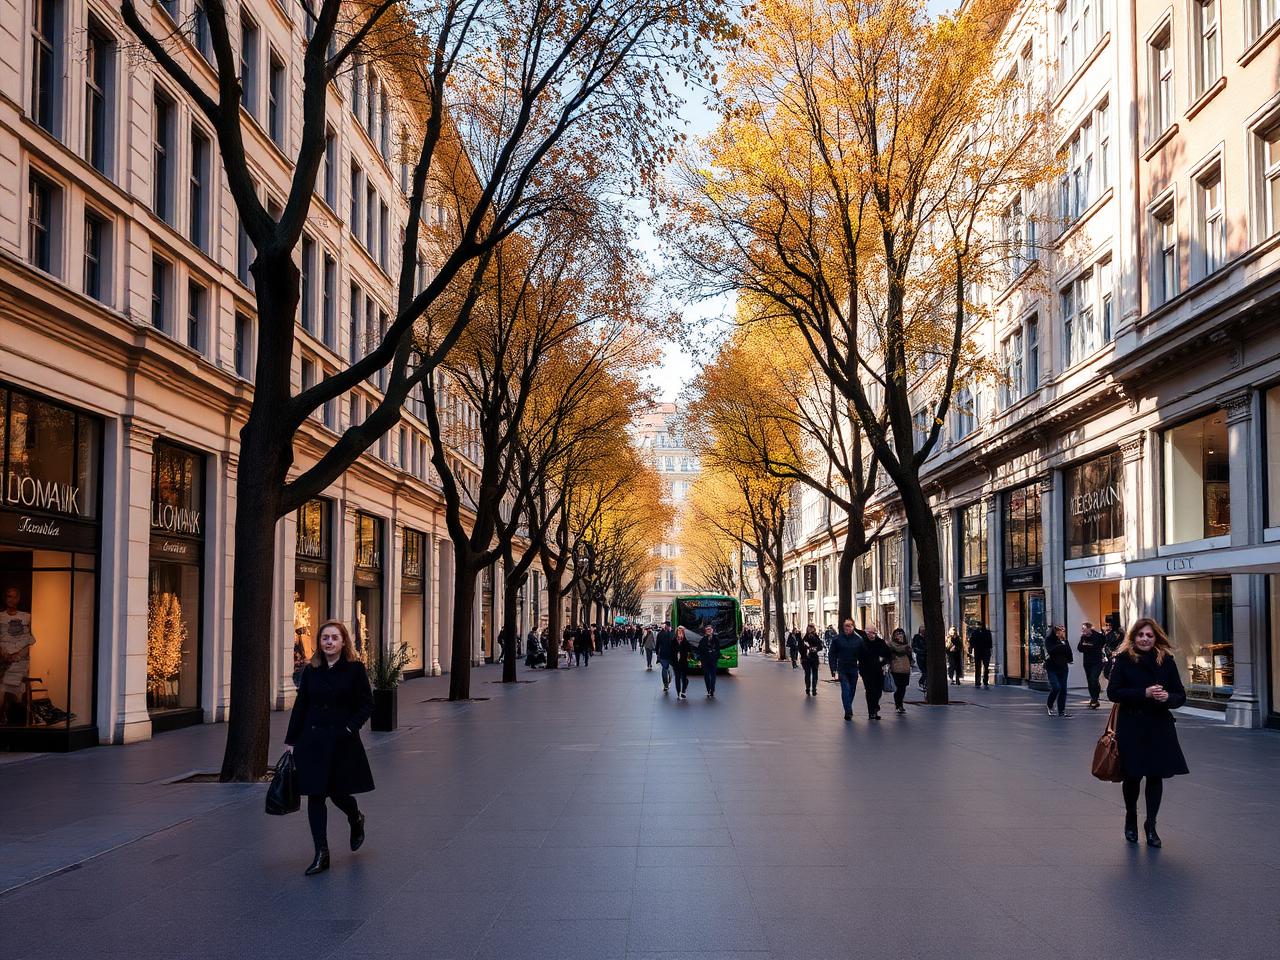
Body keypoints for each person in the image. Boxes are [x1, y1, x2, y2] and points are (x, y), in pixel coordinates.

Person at [284, 620, 375, 876]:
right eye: (325, 638)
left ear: (343, 641)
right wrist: (291, 741)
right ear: (319, 642)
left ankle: (355, 817)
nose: (329, 642)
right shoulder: (311, 671)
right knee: (315, 795)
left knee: (338, 793)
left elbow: (366, 704)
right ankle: (321, 853)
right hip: (312, 742)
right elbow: (301, 706)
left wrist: (349, 728)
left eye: (334, 637)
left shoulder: (355, 670)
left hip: (342, 742)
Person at [1107, 618, 1188, 847]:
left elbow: (1180, 695)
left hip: (1159, 726)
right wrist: (1143, 693)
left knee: (1155, 776)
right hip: (1131, 726)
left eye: (1149, 635)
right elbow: (1113, 693)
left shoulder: (1166, 661)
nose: (1145, 639)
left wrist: (1167, 698)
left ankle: (1151, 825)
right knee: (1132, 776)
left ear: (1156, 638)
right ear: (1133, 637)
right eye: (1141, 635)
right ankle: (1131, 818)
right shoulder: (1123, 660)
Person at [1, 587, 36, 725]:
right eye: (9, 596)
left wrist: (18, 654)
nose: (11, 600)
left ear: (19, 599)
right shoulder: (1, 617)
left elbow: (31, 639)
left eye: (14, 597)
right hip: (3, 663)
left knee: (17, 697)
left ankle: (16, 727)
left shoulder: (26, 617)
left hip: (19, 662)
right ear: (5, 598)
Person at [827, 619, 867, 721]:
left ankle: (848, 706)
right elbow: (832, 654)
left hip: (854, 668)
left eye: (850, 626)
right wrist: (833, 669)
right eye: (846, 626)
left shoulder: (859, 639)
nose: (847, 628)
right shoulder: (837, 639)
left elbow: (863, 655)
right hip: (842, 668)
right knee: (845, 689)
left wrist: (862, 668)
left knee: (852, 690)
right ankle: (848, 711)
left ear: (853, 627)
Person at [859, 626, 892, 720]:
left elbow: (888, 654)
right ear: (866, 633)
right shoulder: (862, 642)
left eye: (873, 632)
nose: (871, 634)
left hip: (878, 670)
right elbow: (859, 655)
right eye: (869, 632)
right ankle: (872, 712)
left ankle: (875, 706)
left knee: (878, 691)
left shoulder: (880, 642)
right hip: (866, 671)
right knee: (870, 691)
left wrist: (883, 661)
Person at [1043, 625, 1073, 717]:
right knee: (1056, 687)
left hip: (1063, 667)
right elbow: (1051, 650)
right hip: (1052, 667)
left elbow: (1069, 652)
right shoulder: (1049, 640)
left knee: (1063, 689)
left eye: (1063, 631)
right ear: (1056, 632)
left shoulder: (1064, 641)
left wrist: (1064, 643)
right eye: (1061, 631)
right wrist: (1061, 646)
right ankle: (1050, 705)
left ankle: (1062, 711)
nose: (1062, 633)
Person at [1077, 620, 1106, 708]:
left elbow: (1102, 644)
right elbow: (1079, 648)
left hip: (1097, 661)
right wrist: (1086, 647)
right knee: (1090, 680)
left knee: (1094, 678)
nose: (1083, 631)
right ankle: (1093, 698)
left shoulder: (1098, 636)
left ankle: (1095, 698)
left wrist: (1091, 647)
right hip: (1087, 662)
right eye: (1082, 629)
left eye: (1084, 629)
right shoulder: (1083, 637)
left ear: (1089, 628)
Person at [887, 628, 913, 714]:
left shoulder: (906, 645)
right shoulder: (891, 645)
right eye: (897, 634)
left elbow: (910, 657)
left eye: (901, 633)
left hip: (905, 669)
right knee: (898, 687)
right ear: (894, 636)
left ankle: (900, 704)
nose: (900, 635)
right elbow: (896, 650)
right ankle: (898, 705)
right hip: (896, 669)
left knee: (903, 688)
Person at [968, 621, 993, 689]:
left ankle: (980, 682)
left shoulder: (976, 632)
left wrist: (971, 650)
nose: (978, 627)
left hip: (981, 651)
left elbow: (971, 642)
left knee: (981, 667)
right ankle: (981, 681)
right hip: (983, 652)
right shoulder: (985, 632)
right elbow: (971, 642)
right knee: (982, 667)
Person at [697, 626, 720, 698]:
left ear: (712, 630)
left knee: (713, 676)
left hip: (713, 660)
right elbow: (700, 650)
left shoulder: (716, 639)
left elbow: (718, 649)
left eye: (710, 629)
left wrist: (716, 656)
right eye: (707, 630)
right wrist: (700, 660)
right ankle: (708, 690)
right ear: (705, 631)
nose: (708, 631)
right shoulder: (703, 640)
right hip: (705, 660)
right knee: (706, 676)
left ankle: (712, 690)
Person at [801, 624, 823, 696]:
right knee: (807, 674)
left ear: (814, 629)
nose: (810, 630)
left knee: (815, 674)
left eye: (811, 628)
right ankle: (807, 688)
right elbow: (801, 647)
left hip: (814, 658)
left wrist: (815, 649)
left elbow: (820, 646)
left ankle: (814, 689)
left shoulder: (816, 637)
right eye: (809, 628)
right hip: (806, 658)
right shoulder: (805, 637)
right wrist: (806, 649)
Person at [671, 626, 692, 700]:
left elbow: (689, 651)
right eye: (678, 632)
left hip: (684, 663)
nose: (680, 633)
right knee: (677, 678)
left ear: (683, 633)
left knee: (684, 678)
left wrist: (688, 657)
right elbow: (671, 652)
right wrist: (672, 662)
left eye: (681, 632)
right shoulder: (673, 641)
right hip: (676, 663)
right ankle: (678, 692)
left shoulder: (686, 642)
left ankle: (683, 691)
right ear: (676, 633)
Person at [1102, 615, 1125, 680]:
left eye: (1110, 625)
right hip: (1110, 655)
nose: (1108, 626)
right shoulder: (1111, 633)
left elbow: (1112, 642)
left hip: (1114, 654)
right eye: (1107, 625)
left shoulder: (1116, 633)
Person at [655, 623, 675, 692]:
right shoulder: (672, 634)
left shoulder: (660, 634)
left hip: (663, 654)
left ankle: (665, 685)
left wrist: (657, 652)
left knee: (664, 668)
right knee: (670, 669)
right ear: (669, 627)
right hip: (671, 655)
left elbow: (657, 644)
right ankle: (669, 680)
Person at [911, 625, 928, 691]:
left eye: (924, 629)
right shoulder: (916, 637)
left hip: (927, 657)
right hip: (920, 657)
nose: (923, 630)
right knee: (924, 672)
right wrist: (920, 651)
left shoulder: (927, 637)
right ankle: (921, 682)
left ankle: (925, 685)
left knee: (927, 672)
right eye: (922, 629)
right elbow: (914, 647)